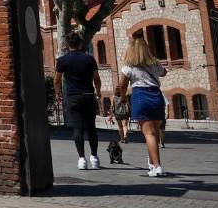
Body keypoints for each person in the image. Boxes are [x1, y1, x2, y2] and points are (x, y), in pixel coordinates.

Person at [116, 35, 169, 177]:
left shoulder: (128, 67)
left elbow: (122, 85)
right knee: (155, 133)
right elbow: (164, 72)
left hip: (141, 96)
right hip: (156, 96)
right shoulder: (154, 64)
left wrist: (123, 98)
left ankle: (157, 167)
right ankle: (152, 163)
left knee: (148, 134)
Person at [54, 30, 103, 171]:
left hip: (73, 97)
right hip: (88, 95)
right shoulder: (89, 59)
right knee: (91, 128)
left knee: (78, 128)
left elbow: (57, 81)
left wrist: (58, 94)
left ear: (67, 44)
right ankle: (94, 157)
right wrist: (98, 92)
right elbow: (97, 78)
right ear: (80, 43)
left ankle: (82, 159)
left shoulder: (62, 60)